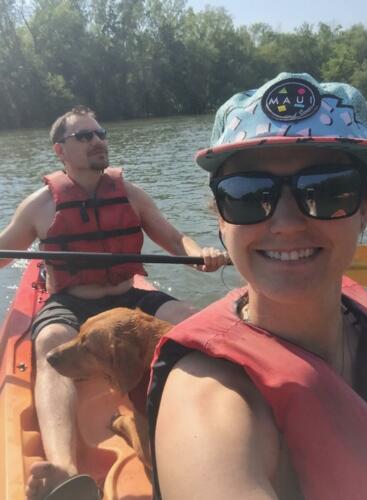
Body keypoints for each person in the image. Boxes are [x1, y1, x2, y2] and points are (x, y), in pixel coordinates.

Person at [148, 72, 367, 500]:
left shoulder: (359, 320)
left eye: (328, 190)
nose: (286, 225)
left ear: (364, 207)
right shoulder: (213, 403)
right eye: (248, 195)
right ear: (219, 216)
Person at [0, 105, 228, 500]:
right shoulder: (40, 205)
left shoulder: (130, 193)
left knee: (191, 327)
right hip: (72, 302)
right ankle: (66, 469)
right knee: (51, 339)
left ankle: (211, 426)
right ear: (61, 151)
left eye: (100, 133)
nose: (98, 141)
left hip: (130, 295)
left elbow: (175, 241)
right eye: (84, 136)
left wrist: (200, 253)